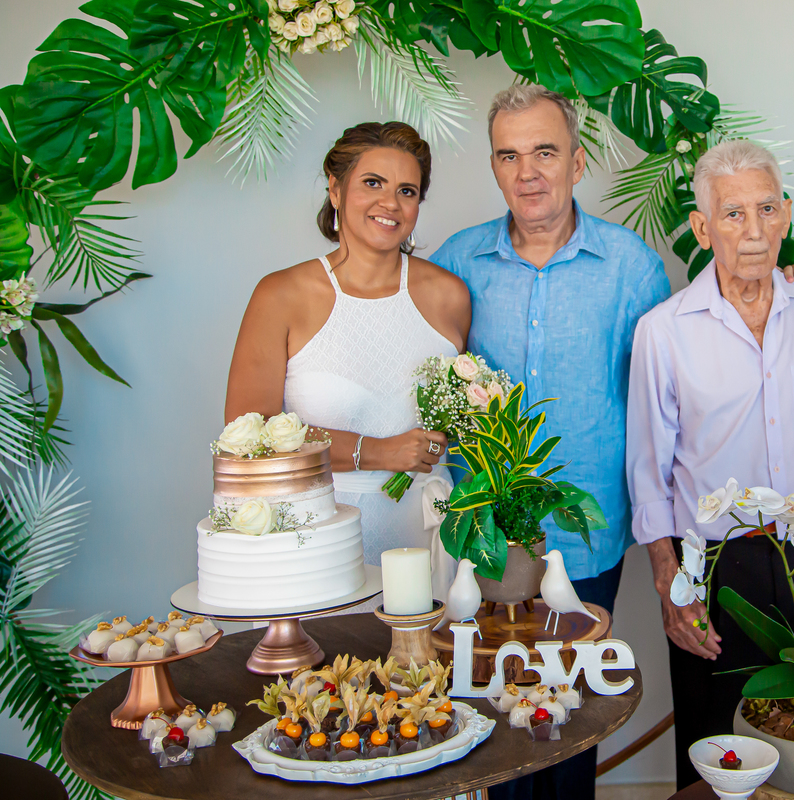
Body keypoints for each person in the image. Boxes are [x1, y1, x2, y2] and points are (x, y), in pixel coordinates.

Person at [429, 86, 670, 799]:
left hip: (586, 530)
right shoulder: (456, 261)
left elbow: (663, 403)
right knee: (494, 725)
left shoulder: (632, 267)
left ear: (577, 160)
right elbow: (421, 374)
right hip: (484, 535)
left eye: (544, 152)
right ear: (494, 166)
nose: (527, 172)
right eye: (509, 155)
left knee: (566, 722)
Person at [626, 139, 794, 791]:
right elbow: (648, 470)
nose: (754, 229)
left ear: (785, 214)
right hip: (717, 563)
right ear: (703, 228)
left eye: (766, 208)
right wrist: (671, 585)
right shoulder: (664, 330)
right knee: (719, 748)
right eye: (733, 214)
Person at [224, 121, 471, 598]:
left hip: (427, 535)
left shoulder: (450, 296)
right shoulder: (281, 295)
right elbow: (246, 435)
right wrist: (376, 452)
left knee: (425, 646)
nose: (390, 203)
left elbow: (465, 420)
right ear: (335, 190)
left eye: (407, 191)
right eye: (372, 183)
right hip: (319, 540)